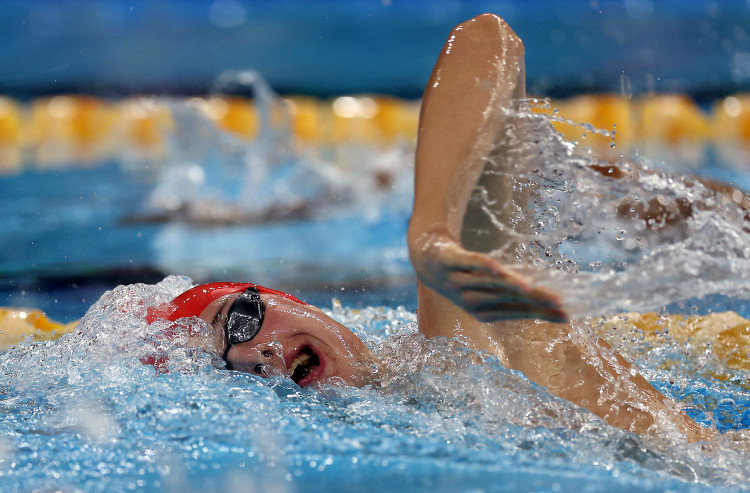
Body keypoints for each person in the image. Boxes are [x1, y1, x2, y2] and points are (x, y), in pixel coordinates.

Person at [143, 13, 724, 443]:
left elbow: (487, 39)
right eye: (231, 372)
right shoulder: (421, 401)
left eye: (240, 321)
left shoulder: (462, 341)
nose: (258, 354)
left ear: (283, 296)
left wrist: (430, 236)